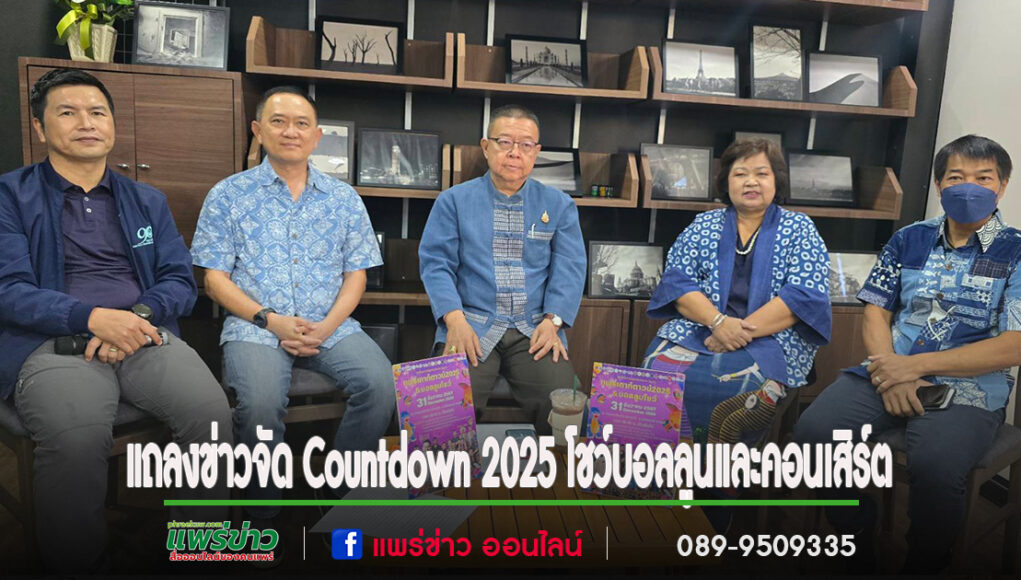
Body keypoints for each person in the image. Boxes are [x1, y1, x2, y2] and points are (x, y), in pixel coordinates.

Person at [0, 68, 232, 571]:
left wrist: (134, 318)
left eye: (97, 112)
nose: (86, 122)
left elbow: (177, 279)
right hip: (52, 342)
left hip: (142, 332)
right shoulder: (9, 196)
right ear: (39, 127)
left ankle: (200, 550)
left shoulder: (146, 199)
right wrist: (92, 318)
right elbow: (8, 290)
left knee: (212, 415)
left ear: (112, 124)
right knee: (77, 436)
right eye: (68, 112)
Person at [794, 134, 1021, 573]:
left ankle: (925, 561)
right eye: (956, 177)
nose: (968, 187)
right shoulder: (908, 239)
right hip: (886, 370)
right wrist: (892, 374)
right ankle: (855, 532)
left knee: (935, 464)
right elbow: (876, 312)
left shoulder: (1016, 250)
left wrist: (911, 369)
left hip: (969, 388)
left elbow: (1014, 344)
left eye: (983, 178)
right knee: (814, 435)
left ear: (1003, 185)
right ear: (939, 185)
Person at [191, 86, 395, 526]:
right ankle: (263, 515)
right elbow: (214, 280)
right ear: (257, 130)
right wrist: (271, 320)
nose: (290, 132)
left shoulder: (343, 199)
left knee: (382, 385)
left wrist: (327, 327)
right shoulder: (228, 195)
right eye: (278, 121)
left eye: (302, 124)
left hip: (331, 325)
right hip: (255, 326)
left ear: (317, 136)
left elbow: (356, 275)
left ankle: (340, 487)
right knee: (260, 405)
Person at [644, 138, 832, 448]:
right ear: (726, 182)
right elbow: (677, 283)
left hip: (773, 338)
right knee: (658, 368)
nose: (751, 182)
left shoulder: (800, 228)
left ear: (776, 180)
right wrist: (719, 323)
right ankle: (663, 467)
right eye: (740, 174)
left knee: (743, 389)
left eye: (762, 173)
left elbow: (802, 296)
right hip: (702, 328)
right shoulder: (704, 224)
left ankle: (724, 473)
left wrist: (735, 333)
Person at [419, 104, 586, 434]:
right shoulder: (453, 201)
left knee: (568, 408)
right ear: (486, 146)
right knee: (444, 410)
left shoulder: (559, 205)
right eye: (504, 142)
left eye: (525, 145)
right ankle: (446, 471)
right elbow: (436, 265)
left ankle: (559, 470)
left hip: (535, 329)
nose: (514, 153)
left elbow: (570, 268)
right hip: (471, 324)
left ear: (536, 152)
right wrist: (454, 320)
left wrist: (553, 321)